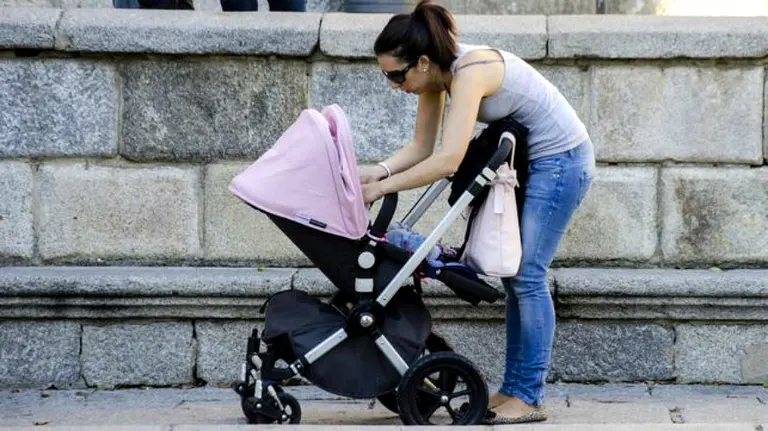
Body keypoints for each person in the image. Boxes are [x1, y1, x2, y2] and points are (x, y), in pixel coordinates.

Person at [358, 0, 596, 425]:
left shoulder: (470, 72)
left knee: (528, 276)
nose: (395, 85)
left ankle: (528, 395)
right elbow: (421, 148)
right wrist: (374, 173)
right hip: (536, 163)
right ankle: (513, 389)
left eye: (397, 75)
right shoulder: (436, 78)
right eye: (387, 76)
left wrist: (384, 187)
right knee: (514, 276)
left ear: (424, 62)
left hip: (562, 161)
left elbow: (449, 160)